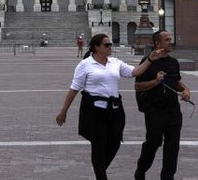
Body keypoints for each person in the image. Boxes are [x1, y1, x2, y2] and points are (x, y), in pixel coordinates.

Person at [55, 33, 162, 180]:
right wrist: (63, 111)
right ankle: (100, 174)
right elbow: (74, 89)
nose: (110, 47)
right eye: (107, 45)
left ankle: (99, 167)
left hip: (115, 110)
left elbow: (134, 72)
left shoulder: (115, 62)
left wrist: (150, 59)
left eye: (110, 44)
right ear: (96, 48)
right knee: (98, 145)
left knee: (115, 143)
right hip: (95, 111)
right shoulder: (85, 65)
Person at [134, 30, 191, 180]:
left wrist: (185, 89)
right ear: (157, 44)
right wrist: (156, 82)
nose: (170, 42)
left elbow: (175, 81)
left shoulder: (173, 62)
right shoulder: (148, 62)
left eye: (170, 39)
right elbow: (138, 86)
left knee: (172, 147)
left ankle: (167, 177)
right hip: (154, 110)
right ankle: (141, 168)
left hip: (173, 110)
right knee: (153, 142)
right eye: (166, 40)